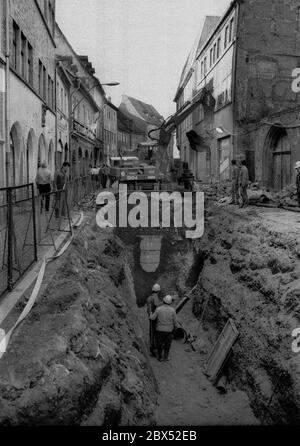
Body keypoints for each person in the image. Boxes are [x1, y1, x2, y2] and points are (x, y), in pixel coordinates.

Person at [150, 295, 179, 362]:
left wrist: (150, 313)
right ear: (170, 302)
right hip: (169, 331)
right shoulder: (173, 311)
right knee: (167, 345)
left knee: (159, 344)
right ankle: (165, 357)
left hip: (159, 330)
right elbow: (175, 322)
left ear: (163, 301)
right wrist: (176, 328)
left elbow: (152, 318)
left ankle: (160, 357)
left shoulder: (158, 309)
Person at [146, 284, 163, 357]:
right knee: (155, 332)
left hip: (150, 316)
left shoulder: (149, 297)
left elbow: (149, 307)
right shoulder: (155, 297)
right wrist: (164, 303)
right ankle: (154, 348)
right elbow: (157, 305)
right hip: (154, 317)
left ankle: (152, 347)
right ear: (158, 291)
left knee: (152, 331)